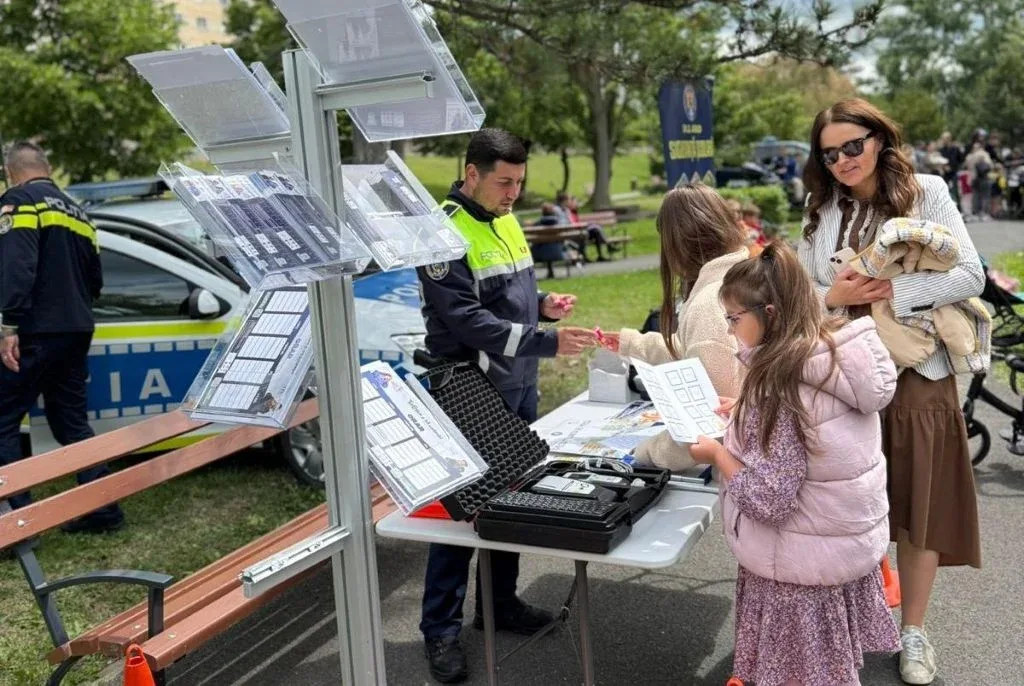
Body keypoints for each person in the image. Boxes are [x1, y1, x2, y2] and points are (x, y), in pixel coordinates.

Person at [797, 98, 983, 685]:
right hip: (842, 374)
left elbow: (969, 273)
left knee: (918, 506)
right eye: (831, 153)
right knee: (847, 503)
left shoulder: (926, 190)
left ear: (879, 139)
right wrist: (836, 296)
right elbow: (805, 284)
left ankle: (915, 632)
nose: (844, 160)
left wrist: (886, 294)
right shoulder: (818, 204)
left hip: (917, 374)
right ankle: (857, 621)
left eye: (854, 145)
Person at [415, 128, 597, 683]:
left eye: (519, 182)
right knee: (462, 512)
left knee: (512, 500)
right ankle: (439, 632)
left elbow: (507, 299)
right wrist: (546, 339)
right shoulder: (442, 233)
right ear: (471, 173)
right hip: (469, 389)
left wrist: (542, 305)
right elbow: (467, 320)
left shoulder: (504, 215)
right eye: (504, 182)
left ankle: (501, 605)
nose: (514, 192)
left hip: (517, 382)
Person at [690, 241, 900, 686]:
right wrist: (744, 411)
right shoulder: (828, 357)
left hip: (796, 568)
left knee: (798, 676)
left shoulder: (779, 386)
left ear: (768, 312)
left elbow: (769, 499)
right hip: (833, 549)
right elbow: (814, 442)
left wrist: (718, 453)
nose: (729, 331)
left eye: (733, 319)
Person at [0, 141, 124, 532]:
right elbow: (96, 279)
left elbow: (17, 264)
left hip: (35, 330)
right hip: (77, 328)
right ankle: (103, 509)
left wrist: (8, 325)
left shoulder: (19, 201)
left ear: (9, 172)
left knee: (1, 421)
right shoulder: (79, 212)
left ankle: (17, 521)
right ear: (48, 167)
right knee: (71, 422)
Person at [599, 184, 748, 470]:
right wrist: (631, 344)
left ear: (677, 243)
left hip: (735, 472)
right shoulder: (736, 279)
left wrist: (646, 454)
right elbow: (694, 349)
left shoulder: (710, 302)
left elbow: (709, 421)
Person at [554, 191, 618, 262]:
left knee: (595, 231)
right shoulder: (557, 210)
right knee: (588, 232)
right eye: (569, 199)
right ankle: (586, 256)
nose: (570, 201)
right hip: (566, 234)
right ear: (564, 201)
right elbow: (562, 223)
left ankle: (600, 255)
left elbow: (571, 222)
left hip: (573, 231)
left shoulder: (566, 210)